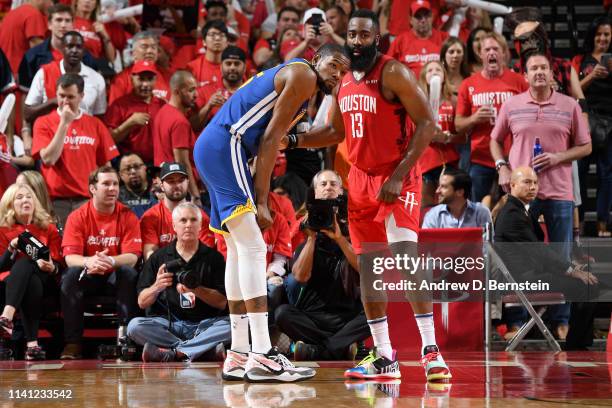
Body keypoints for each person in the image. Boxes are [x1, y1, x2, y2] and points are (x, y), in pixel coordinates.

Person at [193, 43, 349, 382]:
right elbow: (268, 141)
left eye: (343, 70)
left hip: (215, 147)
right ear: (315, 59)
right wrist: (262, 199)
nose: (337, 73)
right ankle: (262, 353)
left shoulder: (303, 82)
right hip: (227, 145)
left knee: (238, 249)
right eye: (333, 64)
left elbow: (291, 138)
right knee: (253, 247)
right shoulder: (303, 74)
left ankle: (237, 352)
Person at [334, 10, 450, 381]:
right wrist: (288, 139)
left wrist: (399, 176)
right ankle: (384, 356)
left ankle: (431, 350)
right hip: (360, 180)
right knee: (369, 269)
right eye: (351, 34)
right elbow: (331, 132)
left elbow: (429, 122)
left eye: (364, 35)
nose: (356, 41)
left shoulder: (393, 71)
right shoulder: (343, 82)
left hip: (397, 176)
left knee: (406, 256)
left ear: (378, 37)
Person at [490, 52, 592, 340]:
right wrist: (502, 168)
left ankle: (560, 321)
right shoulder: (512, 105)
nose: (538, 72)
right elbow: (494, 141)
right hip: (522, 192)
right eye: (533, 68)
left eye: (543, 68)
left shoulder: (569, 105)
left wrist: (560, 156)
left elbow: (585, 147)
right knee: (519, 255)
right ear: (525, 75)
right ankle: (518, 321)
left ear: (552, 74)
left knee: (560, 255)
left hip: (559, 190)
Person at [493, 167, 598, 350]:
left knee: (590, 282)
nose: (532, 187)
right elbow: (539, 252)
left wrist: (572, 267)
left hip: (531, 275)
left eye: (535, 182)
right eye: (527, 182)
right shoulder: (512, 214)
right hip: (523, 281)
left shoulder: (521, 210)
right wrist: (571, 271)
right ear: (512, 185)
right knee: (586, 286)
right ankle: (577, 345)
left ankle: (578, 342)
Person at [275, 170, 369, 361]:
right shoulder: (304, 223)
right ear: (314, 192)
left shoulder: (354, 222)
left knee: (375, 312)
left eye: (333, 184)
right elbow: (300, 276)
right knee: (282, 314)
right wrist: (311, 238)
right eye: (323, 184)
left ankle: (318, 350)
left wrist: (340, 239)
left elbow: (367, 270)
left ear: (341, 191)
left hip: (346, 316)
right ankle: (339, 347)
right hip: (312, 316)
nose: (328, 188)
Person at [128, 202, 230, 362]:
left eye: (193, 220)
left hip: (204, 325)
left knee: (235, 325)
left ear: (201, 225)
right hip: (169, 326)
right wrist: (157, 287)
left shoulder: (214, 258)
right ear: (174, 225)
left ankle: (175, 353)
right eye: (183, 221)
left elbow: (222, 303)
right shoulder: (158, 258)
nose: (188, 225)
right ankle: (200, 350)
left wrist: (196, 289)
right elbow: (142, 302)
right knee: (134, 326)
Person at [59, 166, 141, 359]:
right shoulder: (77, 216)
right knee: (70, 277)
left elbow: (133, 256)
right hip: (88, 274)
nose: (112, 188)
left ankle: (125, 339)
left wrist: (110, 260)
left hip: (114, 275)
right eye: (106, 183)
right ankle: (73, 343)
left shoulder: (128, 215)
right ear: (92, 189)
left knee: (129, 273)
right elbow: (70, 258)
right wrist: (90, 261)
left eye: (115, 184)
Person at [32, 73, 119, 225]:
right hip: (55, 202)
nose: (65, 102)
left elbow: (106, 167)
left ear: (81, 96)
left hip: (87, 200)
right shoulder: (43, 122)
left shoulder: (95, 124)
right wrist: (64, 124)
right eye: (61, 96)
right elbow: (48, 159)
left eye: (70, 97)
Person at [455, 31, 528, 202]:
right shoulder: (468, 84)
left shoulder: (518, 82)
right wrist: (474, 118)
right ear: (480, 54)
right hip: (480, 158)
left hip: (513, 157)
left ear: (503, 53)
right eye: (487, 50)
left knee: (511, 209)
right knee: (479, 211)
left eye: (496, 49)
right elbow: (458, 124)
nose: (491, 53)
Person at [0, 184, 62, 360]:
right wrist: (12, 247)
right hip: (10, 283)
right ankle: (32, 346)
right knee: (30, 277)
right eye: (19, 197)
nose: (25, 200)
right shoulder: (3, 230)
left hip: (46, 279)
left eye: (29, 196)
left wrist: (53, 267)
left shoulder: (48, 228)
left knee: (29, 266)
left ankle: (7, 316)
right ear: (10, 204)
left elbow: (59, 262)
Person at [574, 16, 612, 237]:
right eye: (599, 34)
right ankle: (578, 224)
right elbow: (573, 90)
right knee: (579, 173)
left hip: (610, 123)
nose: (603, 38)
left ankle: (602, 223)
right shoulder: (581, 59)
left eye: (607, 34)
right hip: (585, 122)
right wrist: (591, 75)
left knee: (607, 175)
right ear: (592, 36)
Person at [24, 31, 107, 122]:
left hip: (84, 133)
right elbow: (28, 114)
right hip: (51, 132)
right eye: (70, 46)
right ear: (62, 49)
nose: (74, 51)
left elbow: (100, 118)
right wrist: (53, 102)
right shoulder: (44, 73)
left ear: (84, 51)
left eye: (78, 47)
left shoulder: (96, 79)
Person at [140, 162, 214, 261]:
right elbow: (150, 254)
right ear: (161, 186)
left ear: (187, 182)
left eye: (181, 180)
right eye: (171, 181)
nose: (177, 185)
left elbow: (206, 252)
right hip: (162, 270)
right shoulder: (151, 217)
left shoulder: (200, 216)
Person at [152, 70, 201, 205]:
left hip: (164, 185)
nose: (196, 95)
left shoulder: (162, 113)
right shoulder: (180, 121)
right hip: (178, 190)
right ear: (177, 91)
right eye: (191, 90)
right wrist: (195, 195)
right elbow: (182, 162)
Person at [417, 60, 461, 208]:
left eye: (438, 70)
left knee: (449, 206)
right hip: (425, 163)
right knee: (427, 207)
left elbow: (464, 136)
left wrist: (448, 138)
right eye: (430, 70)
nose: (434, 72)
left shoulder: (454, 101)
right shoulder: (416, 102)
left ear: (444, 77)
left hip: (449, 163)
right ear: (424, 77)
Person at [105, 60, 166, 164]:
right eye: (141, 79)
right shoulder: (119, 105)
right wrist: (130, 123)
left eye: (150, 79)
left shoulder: (162, 105)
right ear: (132, 79)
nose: (145, 84)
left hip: (158, 163)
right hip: (130, 164)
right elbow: (108, 141)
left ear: (156, 80)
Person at [386, 0, 448, 78]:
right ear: (411, 20)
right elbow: (387, 67)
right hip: (408, 87)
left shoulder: (444, 38)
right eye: (418, 16)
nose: (423, 20)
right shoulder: (400, 41)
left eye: (426, 15)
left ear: (432, 17)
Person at [191, 46, 246, 132]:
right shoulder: (204, 91)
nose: (232, 67)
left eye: (237, 64)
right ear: (220, 67)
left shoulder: (252, 91)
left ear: (245, 68)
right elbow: (193, 126)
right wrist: (208, 106)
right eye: (228, 63)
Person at [109, 31, 170, 104]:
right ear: (133, 53)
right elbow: (114, 112)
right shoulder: (121, 80)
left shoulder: (168, 77)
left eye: (153, 47)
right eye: (144, 47)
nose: (150, 51)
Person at [422, 167, 491, 228]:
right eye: (439, 186)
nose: (437, 191)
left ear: (460, 192)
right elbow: (425, 242)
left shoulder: (481, 212)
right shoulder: (433, 215)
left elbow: (487, 241)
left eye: (443, 187)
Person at [0, 0, 49, 76]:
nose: (52, 5)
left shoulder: (12, 13)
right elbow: (39, 51)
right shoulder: (33, 14)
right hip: (20, 75)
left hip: (5, 74)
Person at [187, 21, 229, 89]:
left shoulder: (234, 68)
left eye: (221, 35)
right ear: (204, 42)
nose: (217, 38)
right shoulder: (192, 68)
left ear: (227, 42)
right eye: (212, 35)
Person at [118, 153, 156, 218]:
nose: (133, 171)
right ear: (121, 175)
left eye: (137, 167)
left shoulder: (157, 190)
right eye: (127, 169)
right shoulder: (116, 196)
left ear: (145, 168)